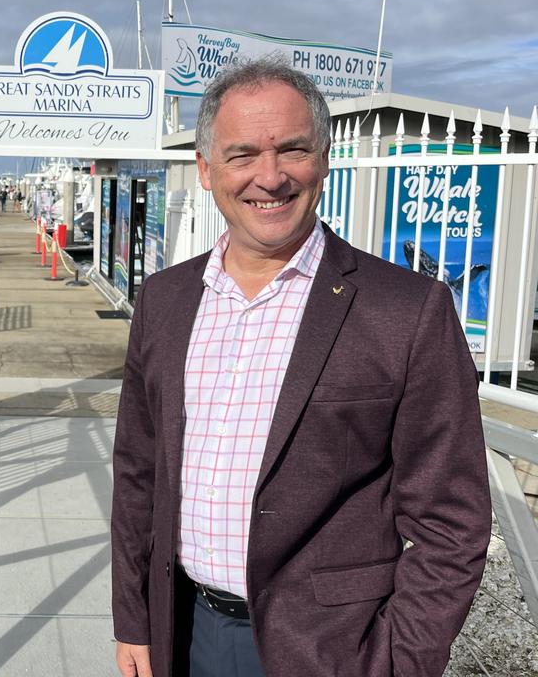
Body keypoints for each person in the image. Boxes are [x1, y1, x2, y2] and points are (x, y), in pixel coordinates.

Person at [111, 55, 490, 677]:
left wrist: (400, 662)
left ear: (324, 157)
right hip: (183, 631)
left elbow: (453, 522)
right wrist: (134, 618)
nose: (270, 176)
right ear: (206, 170)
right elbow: (138, 475)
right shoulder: (165, 299)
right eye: (241, 155)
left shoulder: (406, 310)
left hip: (336, 650)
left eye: (292, 149)